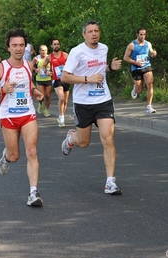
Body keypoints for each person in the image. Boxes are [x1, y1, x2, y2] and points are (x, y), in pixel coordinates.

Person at [60, 19, 123, 195]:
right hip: (83, 103)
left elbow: (101, 71)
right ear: (84, 35)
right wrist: (88, 79)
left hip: (103, 100)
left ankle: (110, 181)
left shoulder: (104, 48)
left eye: (96, 31)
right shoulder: (77, 52)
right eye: (90, 31)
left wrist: (111, 67)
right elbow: (65, 77)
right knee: (84, 142)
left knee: (108, 138)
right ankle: (72, 139)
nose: (94, 34)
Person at [0, 29, 45, 207]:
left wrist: (35, 91)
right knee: (15, 156)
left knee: (32, 151)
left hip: (28, 114)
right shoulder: (2, 67)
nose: (18, 49)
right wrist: (3, 90)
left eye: (21, 45)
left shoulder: (28, 65)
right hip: (9, 116)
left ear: (25, 46)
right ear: (8, 48)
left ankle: (33, 193)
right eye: (14, 45)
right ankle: (6, 157)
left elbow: (29, 83)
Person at [124, 27, 157, 113]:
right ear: (137, 34)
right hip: (136, 68)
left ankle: (149, 106)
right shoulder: (132, 45)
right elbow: (125, 58)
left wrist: (154, 54)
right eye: (141, 34)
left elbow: (152, 52)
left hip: (147, 66)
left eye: (144, 34)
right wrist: (135, 62)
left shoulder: (148, 44)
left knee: (150, 84)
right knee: (139, 91)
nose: (142, 36)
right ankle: (135, 88)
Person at [42, 39, 70, 127]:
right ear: (51, 46)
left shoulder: (65, 55)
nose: (56, 46)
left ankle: (60, 116)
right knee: (61, 98)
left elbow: (71, 65)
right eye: (54, 44)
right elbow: (43, 66)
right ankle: (61, 117)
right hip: (56, 80)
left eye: (58, 44)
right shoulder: (49, 57)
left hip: (66, 79)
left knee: (65, 101)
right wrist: (46, 71)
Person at [34, 45, 52, 117]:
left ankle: (46, 110)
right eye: (42, 50)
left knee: (48, 96)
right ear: (39, 51)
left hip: (48, 79)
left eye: (45, 50)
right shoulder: (36, 58)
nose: (43, 52)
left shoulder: (49, 58)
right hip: (40, 79)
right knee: (42, 96)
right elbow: (31, 66)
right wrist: (35, 69)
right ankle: (40, 104)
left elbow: (54, 66)